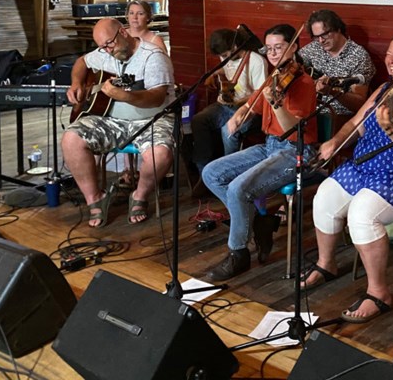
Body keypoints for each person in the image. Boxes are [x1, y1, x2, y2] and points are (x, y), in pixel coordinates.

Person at [300, 34, 393, 323]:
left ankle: (379, 292)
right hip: (366, 167)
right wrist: (335, 141)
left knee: (361, 213)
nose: (391, 60)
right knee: (325, 197)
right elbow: (356, 122)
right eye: (388, 54)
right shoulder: (385, 89)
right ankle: (326, 264)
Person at [201, 24, 318, 281]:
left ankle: (238, 254)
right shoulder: (274, 77)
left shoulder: (304, 83)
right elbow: (253, 105)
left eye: (279, 48)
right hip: (269, 146)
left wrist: (276, 103)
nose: (273, 54)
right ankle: (258, 222)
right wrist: (240, 115)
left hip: (296, 151)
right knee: (212, 172)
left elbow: (292, 130)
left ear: (294, 47)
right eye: (269, 49)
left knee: (237, 189)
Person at [62, 17, 175, 227]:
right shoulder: (105, 53)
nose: (107, 51)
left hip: (152, 119)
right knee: (71, 139)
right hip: (113, 120)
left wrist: (124, 96)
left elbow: (157, 97)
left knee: (161, 154)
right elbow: (82, 62)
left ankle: (140, 195)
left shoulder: (153, 57)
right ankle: (95, 199)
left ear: (123, 32)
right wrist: (77, 83)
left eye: (109, 44)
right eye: (102, 47)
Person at [190, 26, 268, 171]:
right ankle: (204, 169)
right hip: (225, 106)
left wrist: (238, 102)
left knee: (229, 131)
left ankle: (227, 171)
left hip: (249, 109)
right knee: (199, 120)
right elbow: (227, 68)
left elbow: (260, 94)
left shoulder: (256, 61)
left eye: (226, 55)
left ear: (235, 47)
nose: (224, 59)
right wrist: (214, 74)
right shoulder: (225, 57)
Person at [297, 9, 376, 130]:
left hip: (338, 118)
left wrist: (332, 91)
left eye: (325, 34)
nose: (321, 40)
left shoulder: (358, 56)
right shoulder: (313, 48)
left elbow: (359, 103)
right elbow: (295, 64)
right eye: (316, 37)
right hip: (308, 112)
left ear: (338, 29)